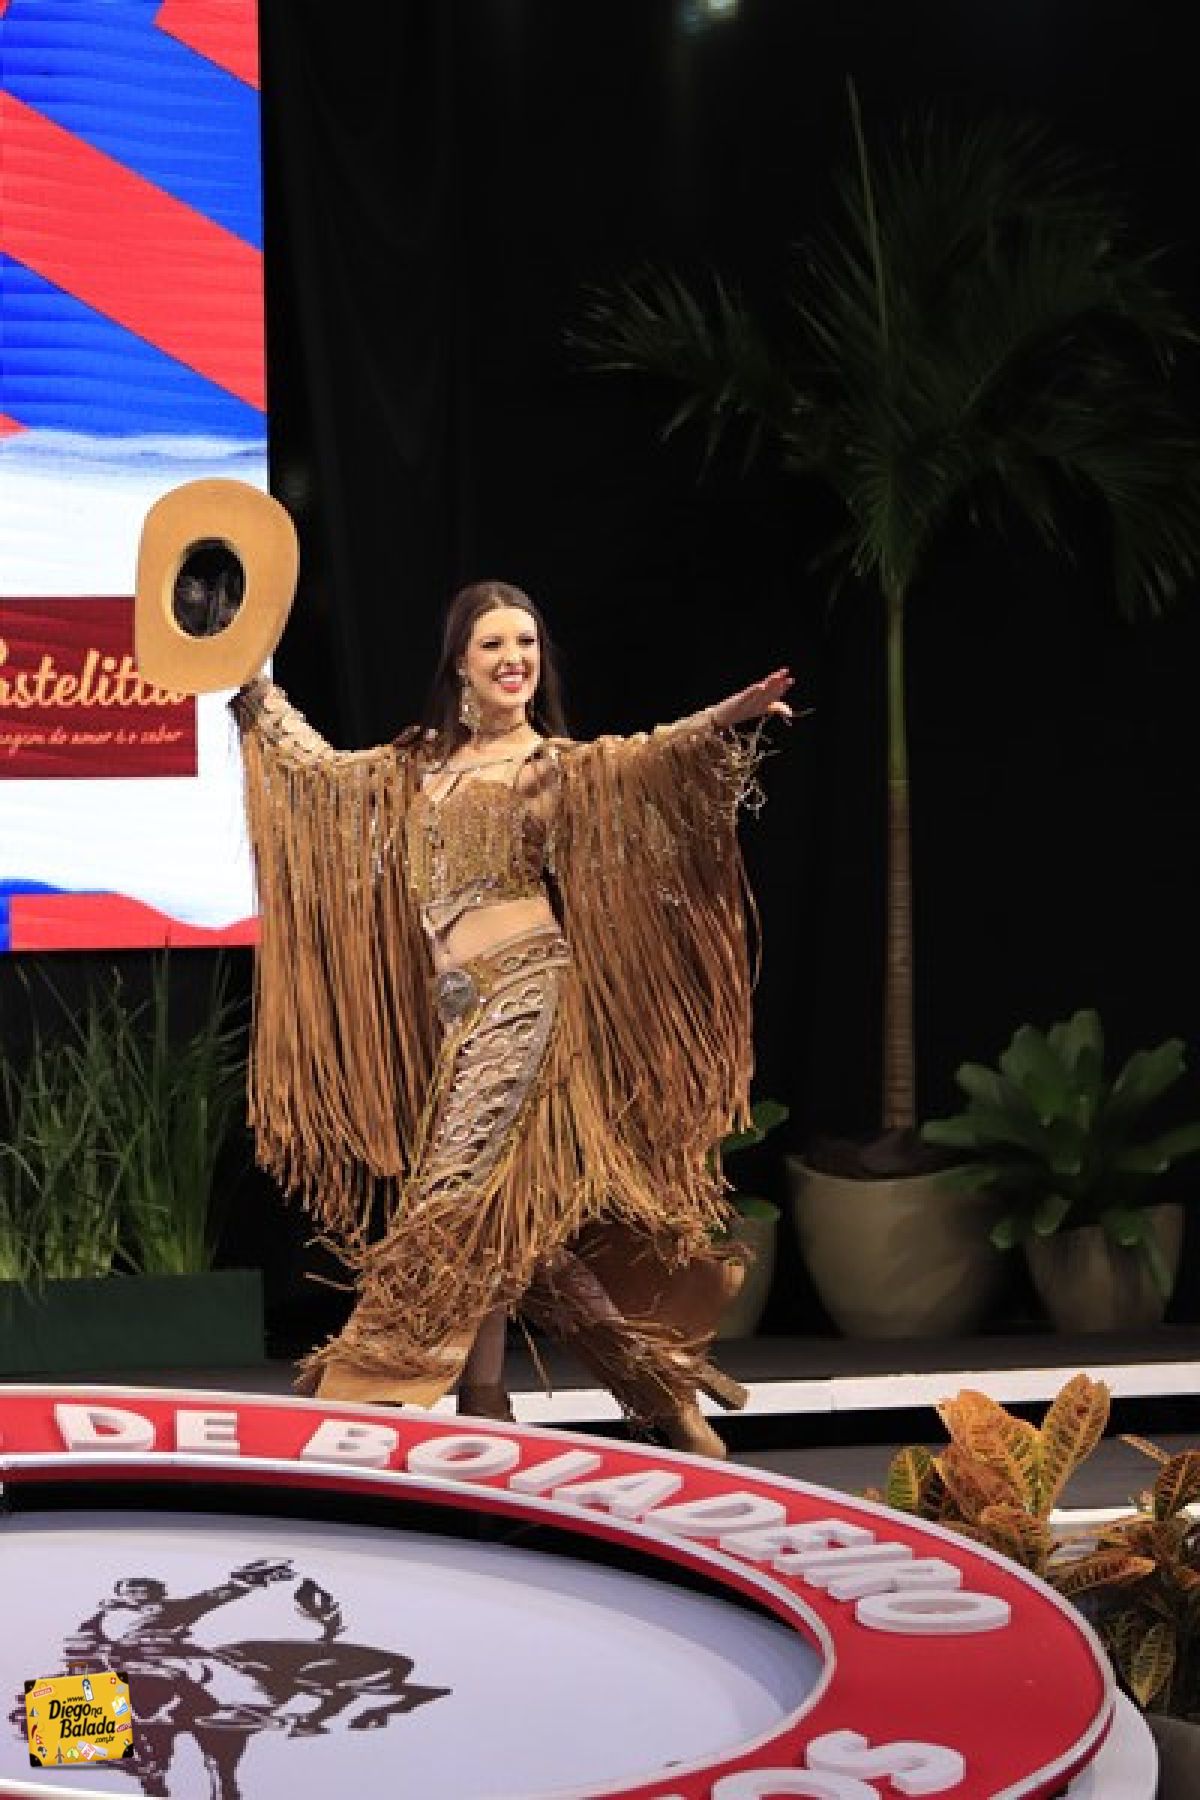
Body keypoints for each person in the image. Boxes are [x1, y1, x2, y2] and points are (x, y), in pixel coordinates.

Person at [232, 580, 792, 1457]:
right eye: (494, 644)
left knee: (454, 1198)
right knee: (516, 1224)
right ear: (460, 662)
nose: (514, 659)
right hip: (459, 1018)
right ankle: (648, 1392)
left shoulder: (546, 767)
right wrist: (257, 693)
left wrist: (724, 718)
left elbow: (639, 760)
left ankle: (373, 1392)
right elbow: (320, 774)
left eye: (526, 644)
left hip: (528, 994)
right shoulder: (417, 766)